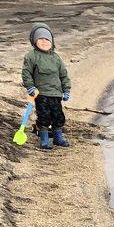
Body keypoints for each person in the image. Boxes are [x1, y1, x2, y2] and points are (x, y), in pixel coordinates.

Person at [21, 22, 71, 150]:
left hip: (56, 93)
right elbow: (26, 73)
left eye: (47, 39)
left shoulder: (56, 58)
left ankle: (58, 138)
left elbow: (63, 75)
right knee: (44, 116)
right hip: (41, 93)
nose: (44, 41)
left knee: (58, 115)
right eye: (40, 39)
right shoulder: (31, 56)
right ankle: (44, 139)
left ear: (52, 41)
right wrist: (30, 87)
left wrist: (66, 90)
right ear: (34, 41)